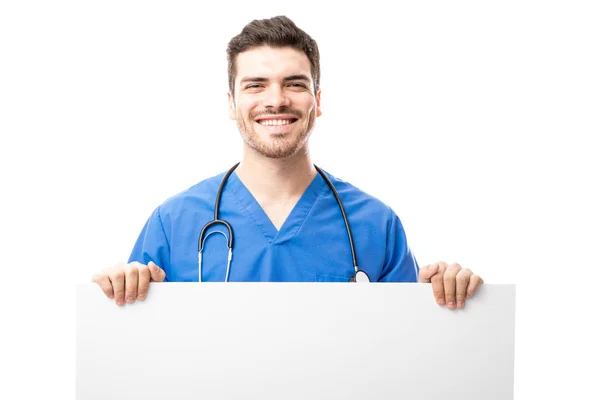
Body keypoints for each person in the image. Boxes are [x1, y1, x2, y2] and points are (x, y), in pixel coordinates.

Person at [92, 15, 483, 309]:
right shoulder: (175, 223)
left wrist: (446, 297)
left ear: (318, 100)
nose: (276, 100)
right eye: (255, 85)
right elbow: (140, 354)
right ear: (231, 103)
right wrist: (118, 289)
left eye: (295, 84)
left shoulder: (375, 225)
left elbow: (408, 357)